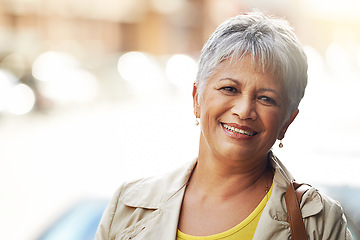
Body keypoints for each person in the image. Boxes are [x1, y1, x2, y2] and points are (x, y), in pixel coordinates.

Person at [95, 11, 353, 240]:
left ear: (287, 121)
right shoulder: (128, 207)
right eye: (229, 88)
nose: (244, 110)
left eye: (266, 98)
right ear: (197, 98)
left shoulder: (318, 222)